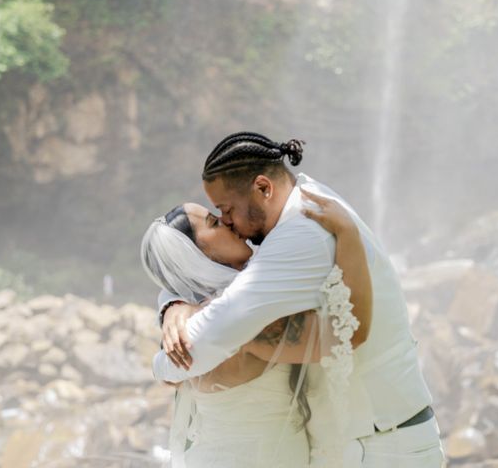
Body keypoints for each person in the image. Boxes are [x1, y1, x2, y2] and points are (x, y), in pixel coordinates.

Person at [152, 132, 445, 467]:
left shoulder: (299, 233)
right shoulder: (303, 204)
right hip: (359, 439)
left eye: (226, 210)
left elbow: (215, 330)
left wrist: (160, 364)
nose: (229, 223)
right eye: (217, 217)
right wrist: (174, 303)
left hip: (381, 444)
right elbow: (195, 274)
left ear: (263, 188)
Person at [141, 198, 370, 467]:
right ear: (198, 256)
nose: (227, 221)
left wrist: (171, 304)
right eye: (214, 223)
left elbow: (167, 368)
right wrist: (348, 235)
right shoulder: (236, 319)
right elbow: (346, 334)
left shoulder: (205, 314)